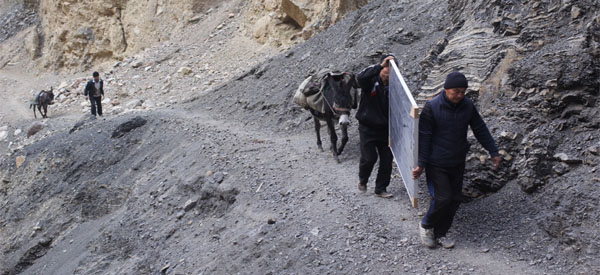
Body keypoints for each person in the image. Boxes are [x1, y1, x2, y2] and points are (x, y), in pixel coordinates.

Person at [412, 72, 502, 249]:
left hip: (457, 161)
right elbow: (424, 138)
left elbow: (480, 128)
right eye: (456, 92)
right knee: (443, 198)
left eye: (463, 92)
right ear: (446, 90)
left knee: (454, 200)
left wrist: (493, 151)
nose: (460, 95)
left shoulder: (467, 106)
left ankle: (441, 233)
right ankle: (426, 225)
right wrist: (421, 164)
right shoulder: (432, 107)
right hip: (436, 162)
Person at [355, 55, 396, 198]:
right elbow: (359, 78)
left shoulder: (397, 87)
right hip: (367, 128)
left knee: (386, 161)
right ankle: (363, 179)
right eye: (386, 68)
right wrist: (379, 65)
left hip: (386, 130)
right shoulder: (370, 82)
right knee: (369, 158)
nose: (387, 72)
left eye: (391, 69)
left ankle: (380, 189)